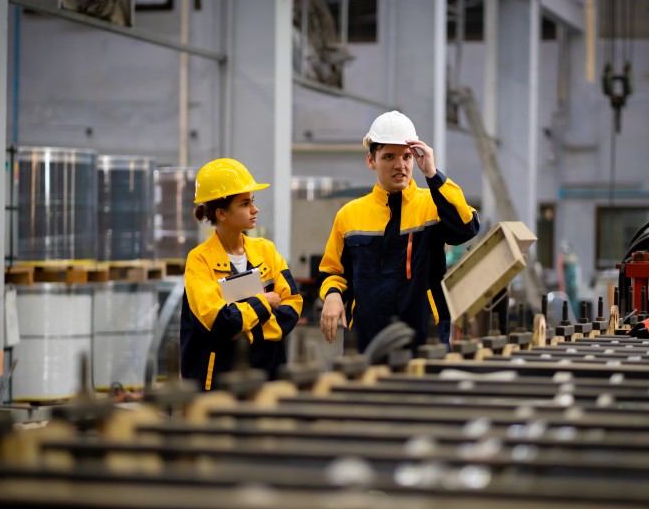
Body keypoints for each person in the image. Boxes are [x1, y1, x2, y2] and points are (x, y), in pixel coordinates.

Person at [318, 110, 479, 352]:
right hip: (366, 340)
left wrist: (433, 175)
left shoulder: (432, 205)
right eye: (389, 157)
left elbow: (466, 228)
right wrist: (332, 294)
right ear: (371, 161)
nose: (400, 166)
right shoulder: (349, 215)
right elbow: (333, 271)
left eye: (406, 157)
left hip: (426, 337)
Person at [180, 158, 302, 389]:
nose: (254, 209)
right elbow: (218, 322)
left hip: (268, 376)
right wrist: (262, 303)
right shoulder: (199, 260)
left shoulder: (266, 250)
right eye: (245, 203)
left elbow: (292, 305)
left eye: (252, 201)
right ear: (222, 214)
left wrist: (244, 333)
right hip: (218, 382)